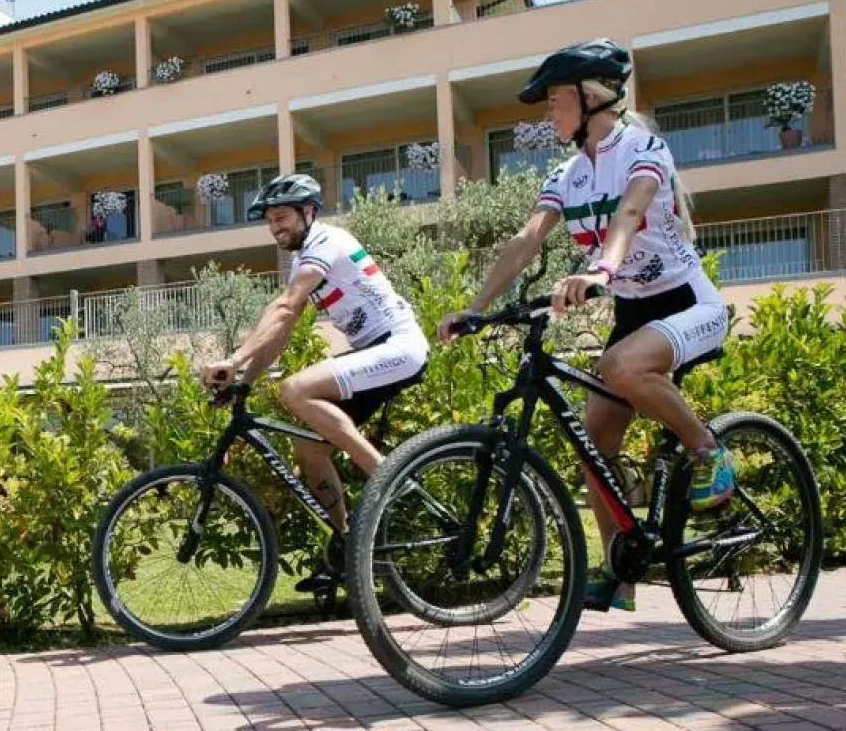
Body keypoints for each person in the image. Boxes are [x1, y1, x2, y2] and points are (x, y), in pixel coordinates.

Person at [437, 37, 735, 614]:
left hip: (687, 304)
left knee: (619, 365)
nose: (549, 112)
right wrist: (475, 306)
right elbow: (527, 240)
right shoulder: (568, 174)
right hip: (633, 314)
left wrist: (600, 269)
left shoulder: (643, 148)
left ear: (592, 97)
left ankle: (707, 450)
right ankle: (620, 569)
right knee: (593, 442)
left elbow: (630, 211)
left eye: (556, 99)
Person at [201, 173, 430, 594]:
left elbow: (285, 306)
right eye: (270, 221)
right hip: (375, 352)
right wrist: (244, 383)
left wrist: (233, 360)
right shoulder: (304, 257)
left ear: (308, 212)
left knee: (295, 389)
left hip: (398, 346)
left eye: (282, 218)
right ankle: (349, 543)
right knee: (308, 448)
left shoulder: (326, 241)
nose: (275, 228)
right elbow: (281, 330)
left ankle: (386, 474)